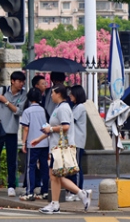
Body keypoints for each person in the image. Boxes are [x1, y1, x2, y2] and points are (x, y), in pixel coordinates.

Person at [33, 84, 90, 214]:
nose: (51, 95)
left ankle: (72, 196)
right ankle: (59, 202)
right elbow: (54, 129)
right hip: (56, 146)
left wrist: (50, 129)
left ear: (58, 94)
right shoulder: (59, 107)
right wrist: (40, 138)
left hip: (61, 147)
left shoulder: (63, 108)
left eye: (53, 93)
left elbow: (65, 126)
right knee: (55, 176)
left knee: (54, 175)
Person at [0, 71, 26, 197]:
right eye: (19, 81)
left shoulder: (23, 94)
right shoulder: (2, 90)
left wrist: (6, 102)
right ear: (12, 81)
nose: (21, 84)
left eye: (22, 81)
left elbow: (19, 111)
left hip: (12, 130)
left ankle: (11, 186)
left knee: (12, 160)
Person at [20, 88, 49, 201]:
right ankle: (45, 191)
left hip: (33, 143)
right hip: (44, 142)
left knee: (30, 167)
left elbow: (25, 129)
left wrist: (23, 143)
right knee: (44, 167)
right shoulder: (43, 110)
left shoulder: (27, 111)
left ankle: (29, 192)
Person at [65, 85, 88, 202]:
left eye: (72, 94)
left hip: (78, 141)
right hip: (73, 141)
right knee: (73, 167)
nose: (70, 96)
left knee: (77, 167)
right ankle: (74, 190)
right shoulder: (75, 107)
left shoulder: (80, 107)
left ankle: (79, 191)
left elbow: (70, 121)